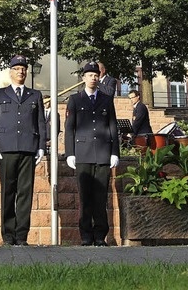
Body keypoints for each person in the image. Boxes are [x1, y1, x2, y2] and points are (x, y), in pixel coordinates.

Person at [0, 55, 46, 245]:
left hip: (28, 148)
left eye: (23, 69)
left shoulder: (34, 95)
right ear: (10, 71)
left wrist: (41, 147)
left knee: (25, 194)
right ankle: (8, 236)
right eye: (17, 68)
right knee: (8, 192)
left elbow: (40, 123)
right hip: (6, 148)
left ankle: (21, 236)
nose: (21, 72)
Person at [65, 61, 120, 246]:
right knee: (85, 197)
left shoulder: (106, 99)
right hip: (82, 154)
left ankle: (100, 236)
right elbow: (69, 128)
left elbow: (113, 126)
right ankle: (86, 236)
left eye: (96, 75)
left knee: (101, 197)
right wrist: (70, 153)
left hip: (103, 153)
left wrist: (115, 152)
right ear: (83, 78)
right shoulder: (75, 99)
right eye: (89, 75)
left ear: (99, 77)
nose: (93, 78)